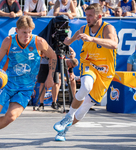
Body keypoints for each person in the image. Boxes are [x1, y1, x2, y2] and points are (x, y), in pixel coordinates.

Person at [0, 15, 57, 146]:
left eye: (29, 32)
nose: (27, 35)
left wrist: (50, 75)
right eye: (24, 32)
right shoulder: (8, 41)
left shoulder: (39, 42)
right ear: (16, 30)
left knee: (11, 117)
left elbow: (53, 56)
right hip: (7, 83)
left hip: (26, 88)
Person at [53, 3, 118, 141]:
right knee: (86, 86)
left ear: (99, 16)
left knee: (87, 104)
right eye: (86, 15)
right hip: (89, 63)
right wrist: (67, 43)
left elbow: (114, 44)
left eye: (90, 15)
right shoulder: (83, 28)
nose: (87, 18)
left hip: (106, 71)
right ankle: (68, 116)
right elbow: (70, 40)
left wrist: (92, 39)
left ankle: (64, 130)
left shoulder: (108, 28)